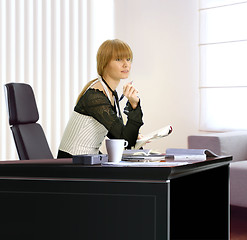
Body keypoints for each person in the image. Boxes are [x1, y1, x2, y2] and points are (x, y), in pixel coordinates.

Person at [57, 39, 144, 158]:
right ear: (104, 63)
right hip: (72, 162)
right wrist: (134, 104)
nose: (126, 64)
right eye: (118, 59)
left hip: (87, 159)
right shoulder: (95, 97)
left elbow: (118, 137)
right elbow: (124, 139)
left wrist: (135, 135)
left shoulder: (110, 93)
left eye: (128, 59)